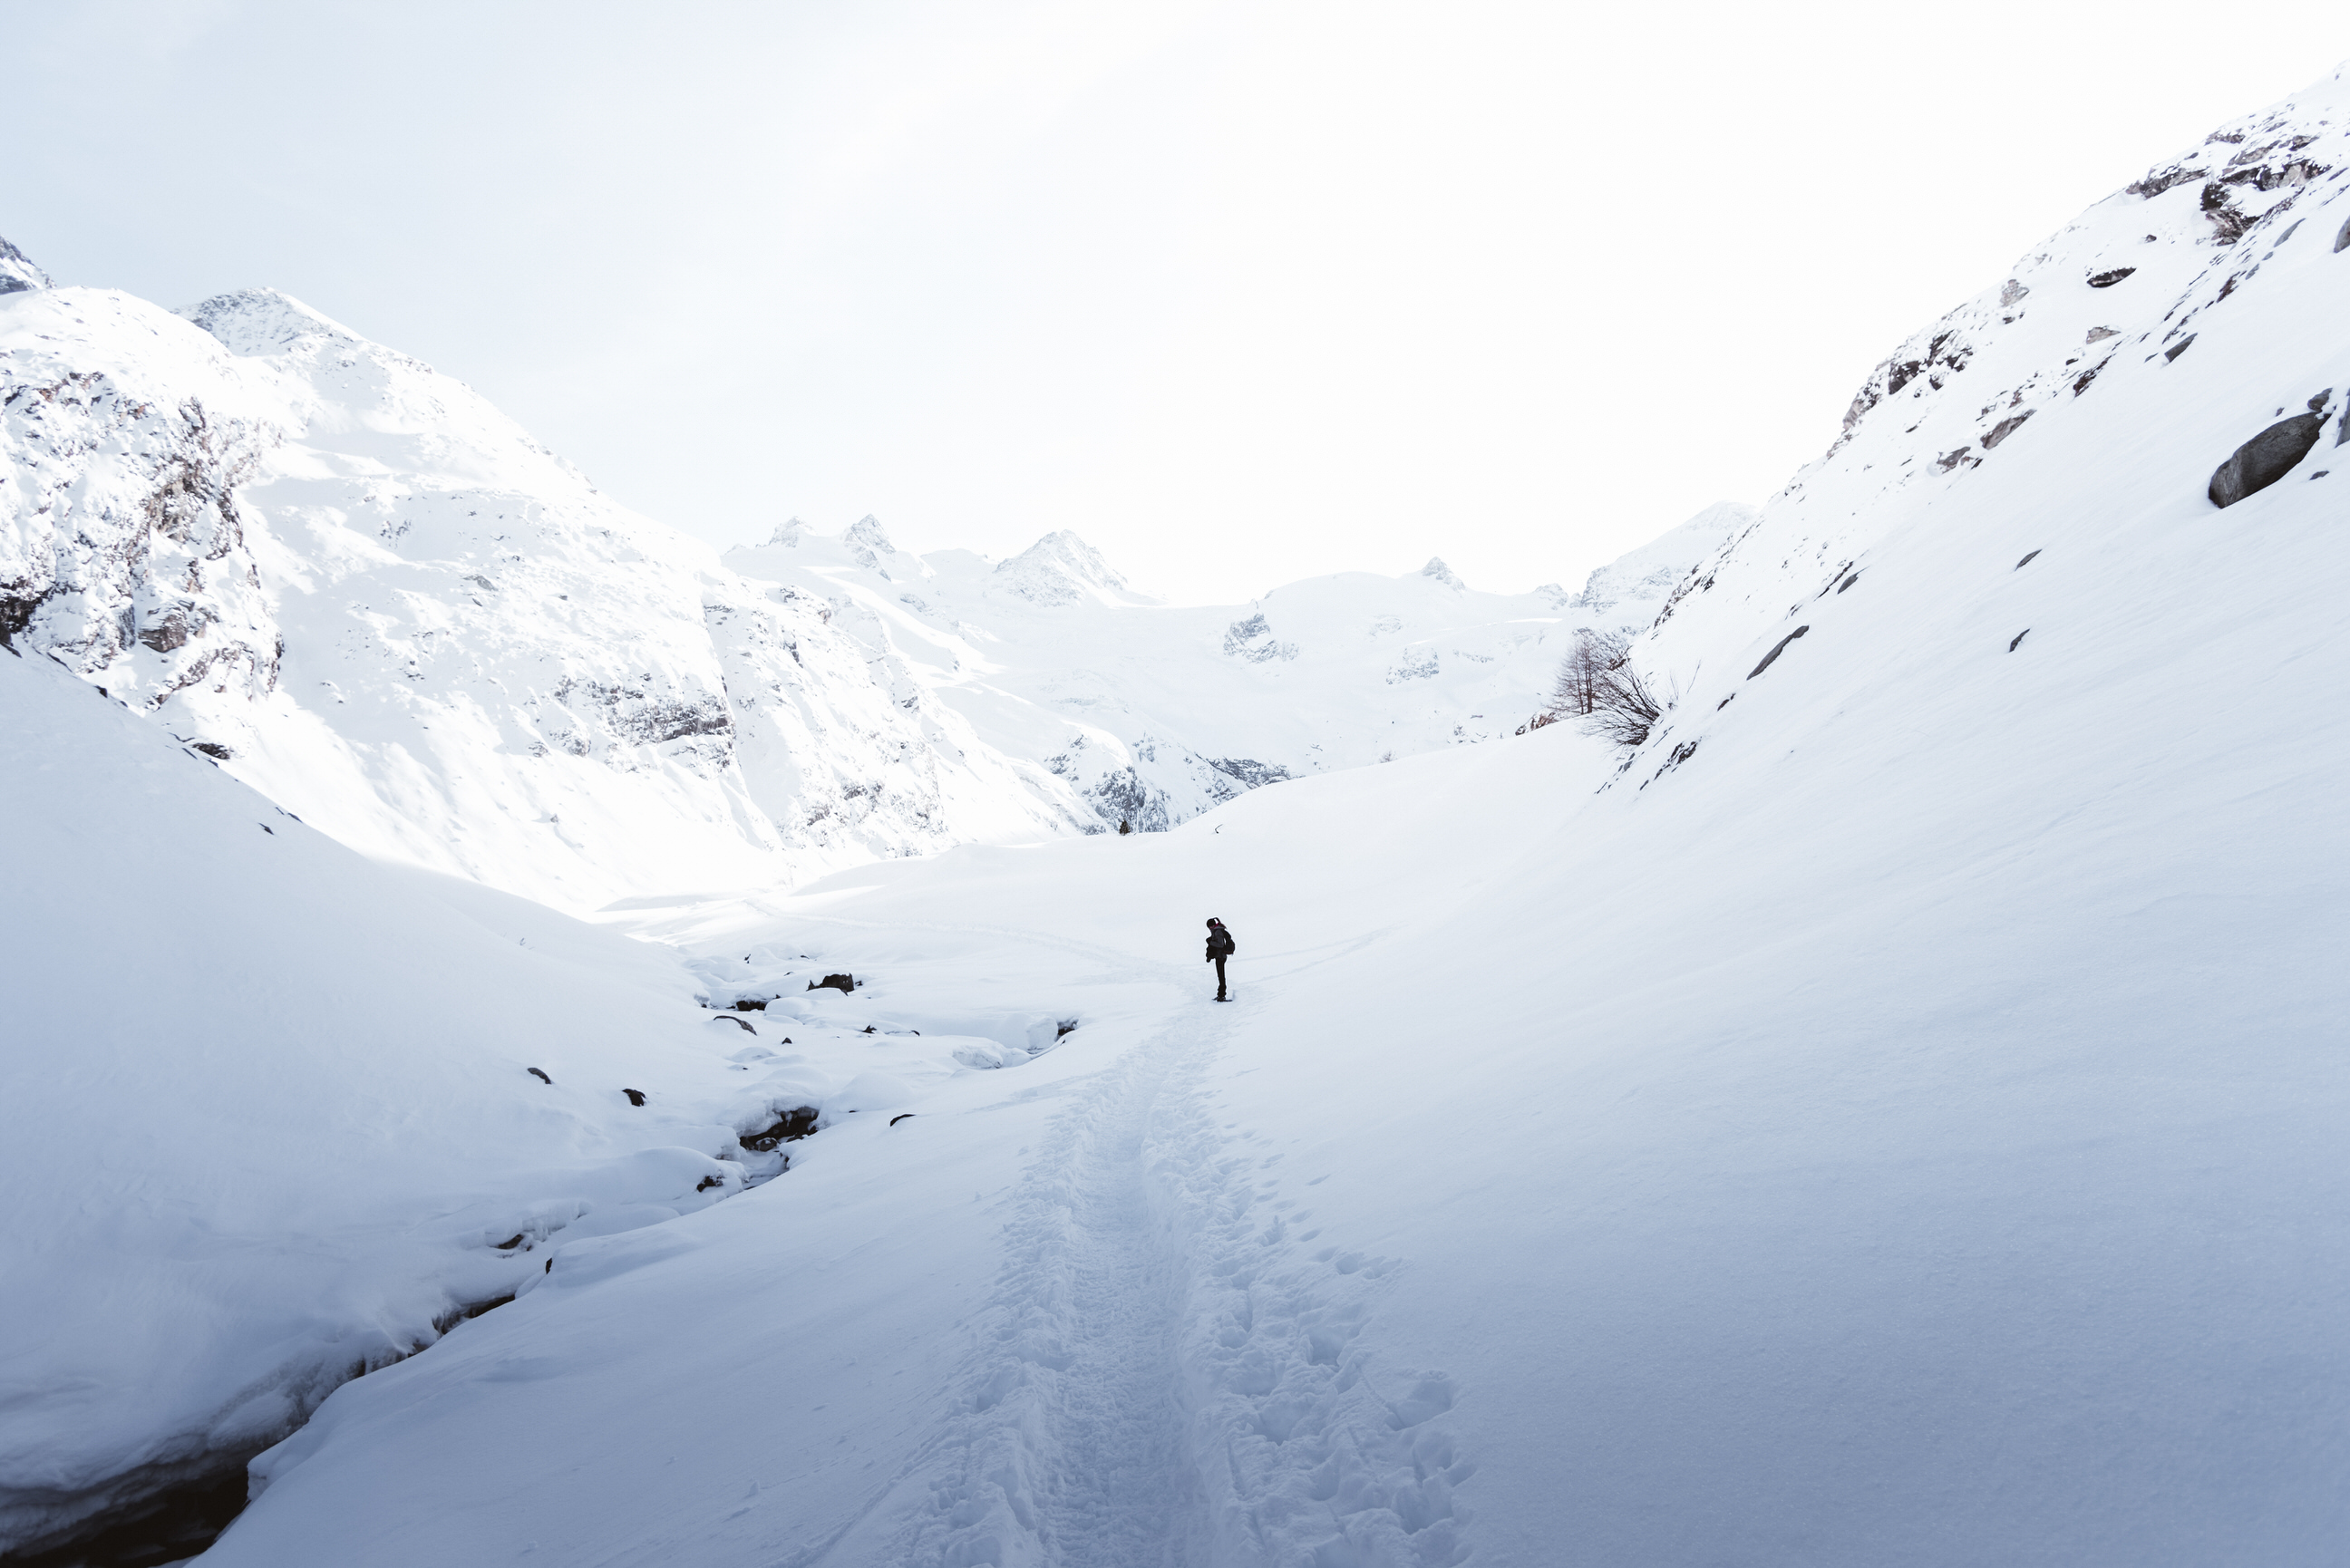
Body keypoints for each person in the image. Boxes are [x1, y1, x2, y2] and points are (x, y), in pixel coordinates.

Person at [1204, 917, 1236, 1001]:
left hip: (1221, 956)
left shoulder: (1217, 931)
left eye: (1210, 927)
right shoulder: (1216, 931)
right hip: (1219, 956)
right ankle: (1220, 995)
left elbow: (1220, 945)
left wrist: (1210, 942)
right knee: (1220, 976)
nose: (1210, 929)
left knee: (1221, 977)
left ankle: (1222, 996)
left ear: (1213, 925)